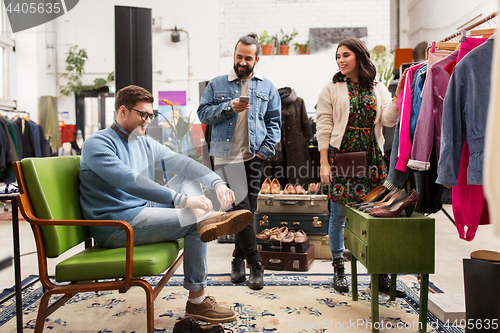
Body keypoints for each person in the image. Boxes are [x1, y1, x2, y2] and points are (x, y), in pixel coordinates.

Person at [79, 85, 254, 323]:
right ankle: (197, 302)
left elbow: (181, 163)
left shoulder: (143, 142)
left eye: (150, 115)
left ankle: (205, 219)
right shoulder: (98, 144)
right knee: (194, 223)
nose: (148, 121)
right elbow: (131, 182)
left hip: (143, 213)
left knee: (186, 177)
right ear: (122, 111)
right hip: (117, 226)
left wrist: (217, 183)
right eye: (143, 114)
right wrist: (184, 200)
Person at [316, 38, 406, 296]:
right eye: (337, 56)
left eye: (346, 55)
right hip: (342, 155)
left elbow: (388, 120)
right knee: (339, 214)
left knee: (376, 214)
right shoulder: (331, 88)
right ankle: (338, 267)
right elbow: (323, 125)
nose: (340, 60)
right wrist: (324, 161)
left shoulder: (377, 88)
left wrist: (399, 96)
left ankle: (379, 275)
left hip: (371, 156)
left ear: (359, 56)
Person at [197, 33, 281, 290]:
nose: (242, 62)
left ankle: (237, 258)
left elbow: (274, 123)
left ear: (257, 59)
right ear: (233, 55)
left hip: (255, 154)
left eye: (247, 58)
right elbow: (202, 113)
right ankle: (255, 263)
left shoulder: (267, 87)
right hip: (225, 153)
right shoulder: (216, 84)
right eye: (238, 57)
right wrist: (227, 108)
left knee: (247, 211)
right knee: (239, 206)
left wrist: (265, 150)